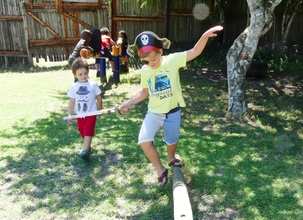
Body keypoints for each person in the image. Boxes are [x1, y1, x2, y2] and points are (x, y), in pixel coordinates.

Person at [118, 25, 223, 185]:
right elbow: (144, 93)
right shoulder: (145, 71)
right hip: (154, 113)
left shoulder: (172, 60)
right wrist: (128, 103)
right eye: (146, 60)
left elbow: (194, 52)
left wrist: (204, 36)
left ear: (161, 51)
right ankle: (160, 169)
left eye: (154, 58)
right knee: (144, 140)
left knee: (171, 140)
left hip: (173, 112)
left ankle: (172, 158)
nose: (151, 63)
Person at [67, 58, 103, 160]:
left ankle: (85, 150)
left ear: (88, 72)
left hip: (91, 113)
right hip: (80, 114)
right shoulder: (74, 87)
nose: (83, 76)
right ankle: (88, 147)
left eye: (85, 73)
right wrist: (70, 114)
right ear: (75, 75)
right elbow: (72, 101)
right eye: (80, 74)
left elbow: (99, 98)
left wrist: (100, 110)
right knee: (83, 131)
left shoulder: (93, 85)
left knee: (87, 130)